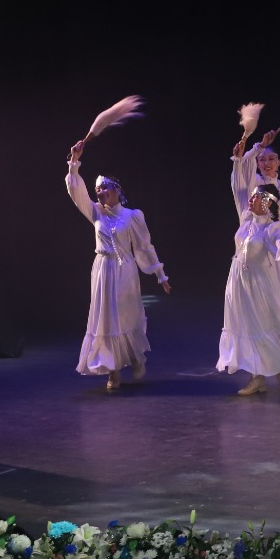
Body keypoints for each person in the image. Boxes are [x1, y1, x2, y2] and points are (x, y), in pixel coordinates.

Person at [64, 141, 171, 391]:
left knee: (126, 316)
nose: (100, 192)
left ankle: (136, 357)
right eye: (97, 189)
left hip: (125, 271)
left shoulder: (132, 216)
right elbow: (76, 192)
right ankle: (113, 370)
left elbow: (144, 246)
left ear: (116, 190)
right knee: (106, 319)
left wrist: (160, 274)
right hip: (103, 269)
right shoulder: (95, 212)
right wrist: (74, 162)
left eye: (104, 188)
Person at [218, 149, 280, 395]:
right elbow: (236, 183)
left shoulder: (273, 227)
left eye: (255, 198)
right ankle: (257, 378)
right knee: (246, 326)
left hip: (260, 283)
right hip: (238, 282)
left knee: (266, 324)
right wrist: (242, 154)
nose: (250, 199)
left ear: (266, 202)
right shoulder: (246, 220)